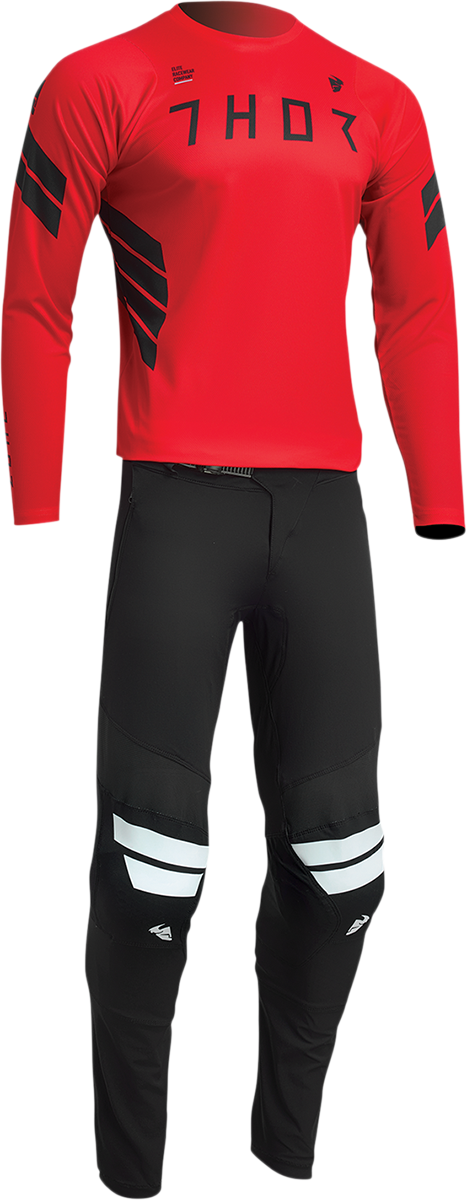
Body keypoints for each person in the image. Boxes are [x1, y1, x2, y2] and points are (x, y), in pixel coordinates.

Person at [1, 4, 465, 1197]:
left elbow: (415, 303)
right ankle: (130, 1169)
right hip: (173, 506)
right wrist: (36, 491)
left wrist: (438, 487)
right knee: (148, 868)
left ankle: (281, 1151)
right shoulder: (98, 82)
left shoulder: (380, 100)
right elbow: (37, 297)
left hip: (323, 516)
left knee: (343, 866)